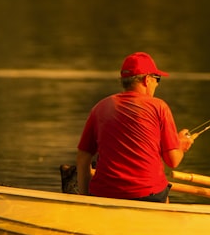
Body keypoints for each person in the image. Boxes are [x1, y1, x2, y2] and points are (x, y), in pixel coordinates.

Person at [76, 52, 194, 202]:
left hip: (103, 193)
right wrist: (180, 144)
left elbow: (82, 158)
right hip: (149, 195)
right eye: (157, 79)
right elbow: (173, 161)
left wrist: (84, 198)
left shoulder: (100, 107)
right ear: (147, 80)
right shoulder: (159, 107)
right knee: (163, 192)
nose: (157, 84)